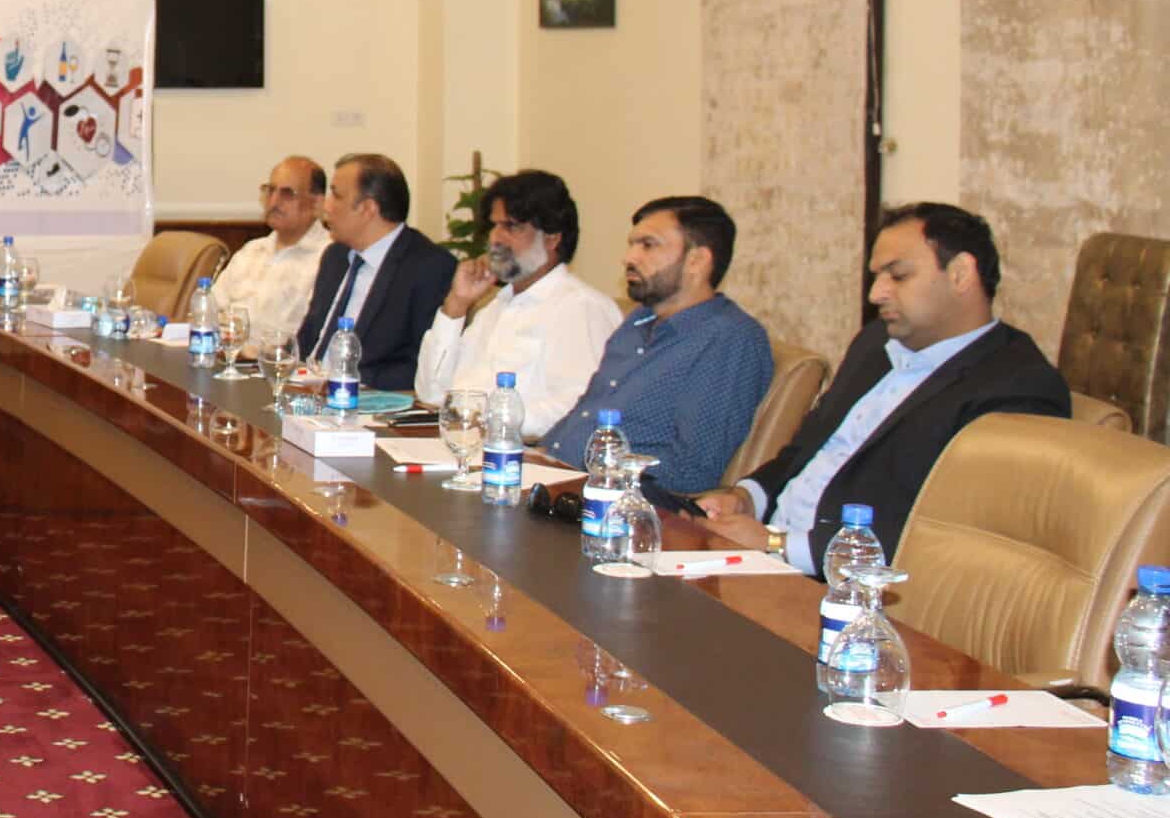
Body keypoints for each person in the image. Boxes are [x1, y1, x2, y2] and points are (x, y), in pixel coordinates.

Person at [694, 203, 1069, 572]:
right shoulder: (874, 344)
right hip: (759, 554)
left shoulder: (1018, 386)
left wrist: (777, 544)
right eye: (876, 277)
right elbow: (804, 451)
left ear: (960, 274)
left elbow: (959, 535)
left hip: (844, 585)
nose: (876, 294)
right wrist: (748, 497)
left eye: (898, 276)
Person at [545, 196, 774, 494]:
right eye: (632, 244)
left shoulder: (728, 339)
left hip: (610, 500)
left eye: (648, 245)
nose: (629, 258)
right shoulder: (637, 322)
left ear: (697, 261)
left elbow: (693, 470)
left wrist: (599, 475)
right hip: (553, 479)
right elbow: (584, 415)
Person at [413, 169, 620, 440]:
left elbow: (579, 408)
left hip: (519, 453)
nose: (495, 238)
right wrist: (456, 304)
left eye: (511, 227)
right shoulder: (495, 307)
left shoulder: (580, 308)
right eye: (494, 226)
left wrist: (491, 420)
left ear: (552, 238)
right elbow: (431, 393)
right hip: (461, 444)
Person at [290, 153, 458, 391]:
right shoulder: (335, 257)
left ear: (368, 208)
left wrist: (342, 380)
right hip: (303, 390)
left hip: (364, 398)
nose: (325, 205)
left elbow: (422, 366)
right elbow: (307, 340)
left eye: (336, 195)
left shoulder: (429, 267)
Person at [207, 154, 331, 346]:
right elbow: (209, 312)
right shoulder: (251, 250)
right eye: (270, 190)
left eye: (287, 194)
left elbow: (311, 339)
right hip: (226, 355)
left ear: (316, 204)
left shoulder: (328, 258)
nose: (273, 202)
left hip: (278, 362)